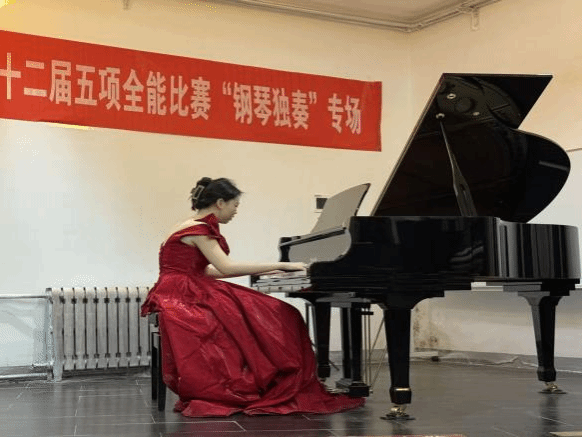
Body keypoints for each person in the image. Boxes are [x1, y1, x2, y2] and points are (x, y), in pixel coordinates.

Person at [141, 177, 365, 417]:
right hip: (183, 296)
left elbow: (204, 270)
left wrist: (267, 271)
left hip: (178, 290)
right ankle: (270, 380)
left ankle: (270, 375)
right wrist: (281, 265)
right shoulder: (200, 229)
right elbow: (226, 268)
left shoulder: (187, 224)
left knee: (258, 311)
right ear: (220, 203)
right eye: (235, 205)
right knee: (279, 313)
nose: (236, 211)